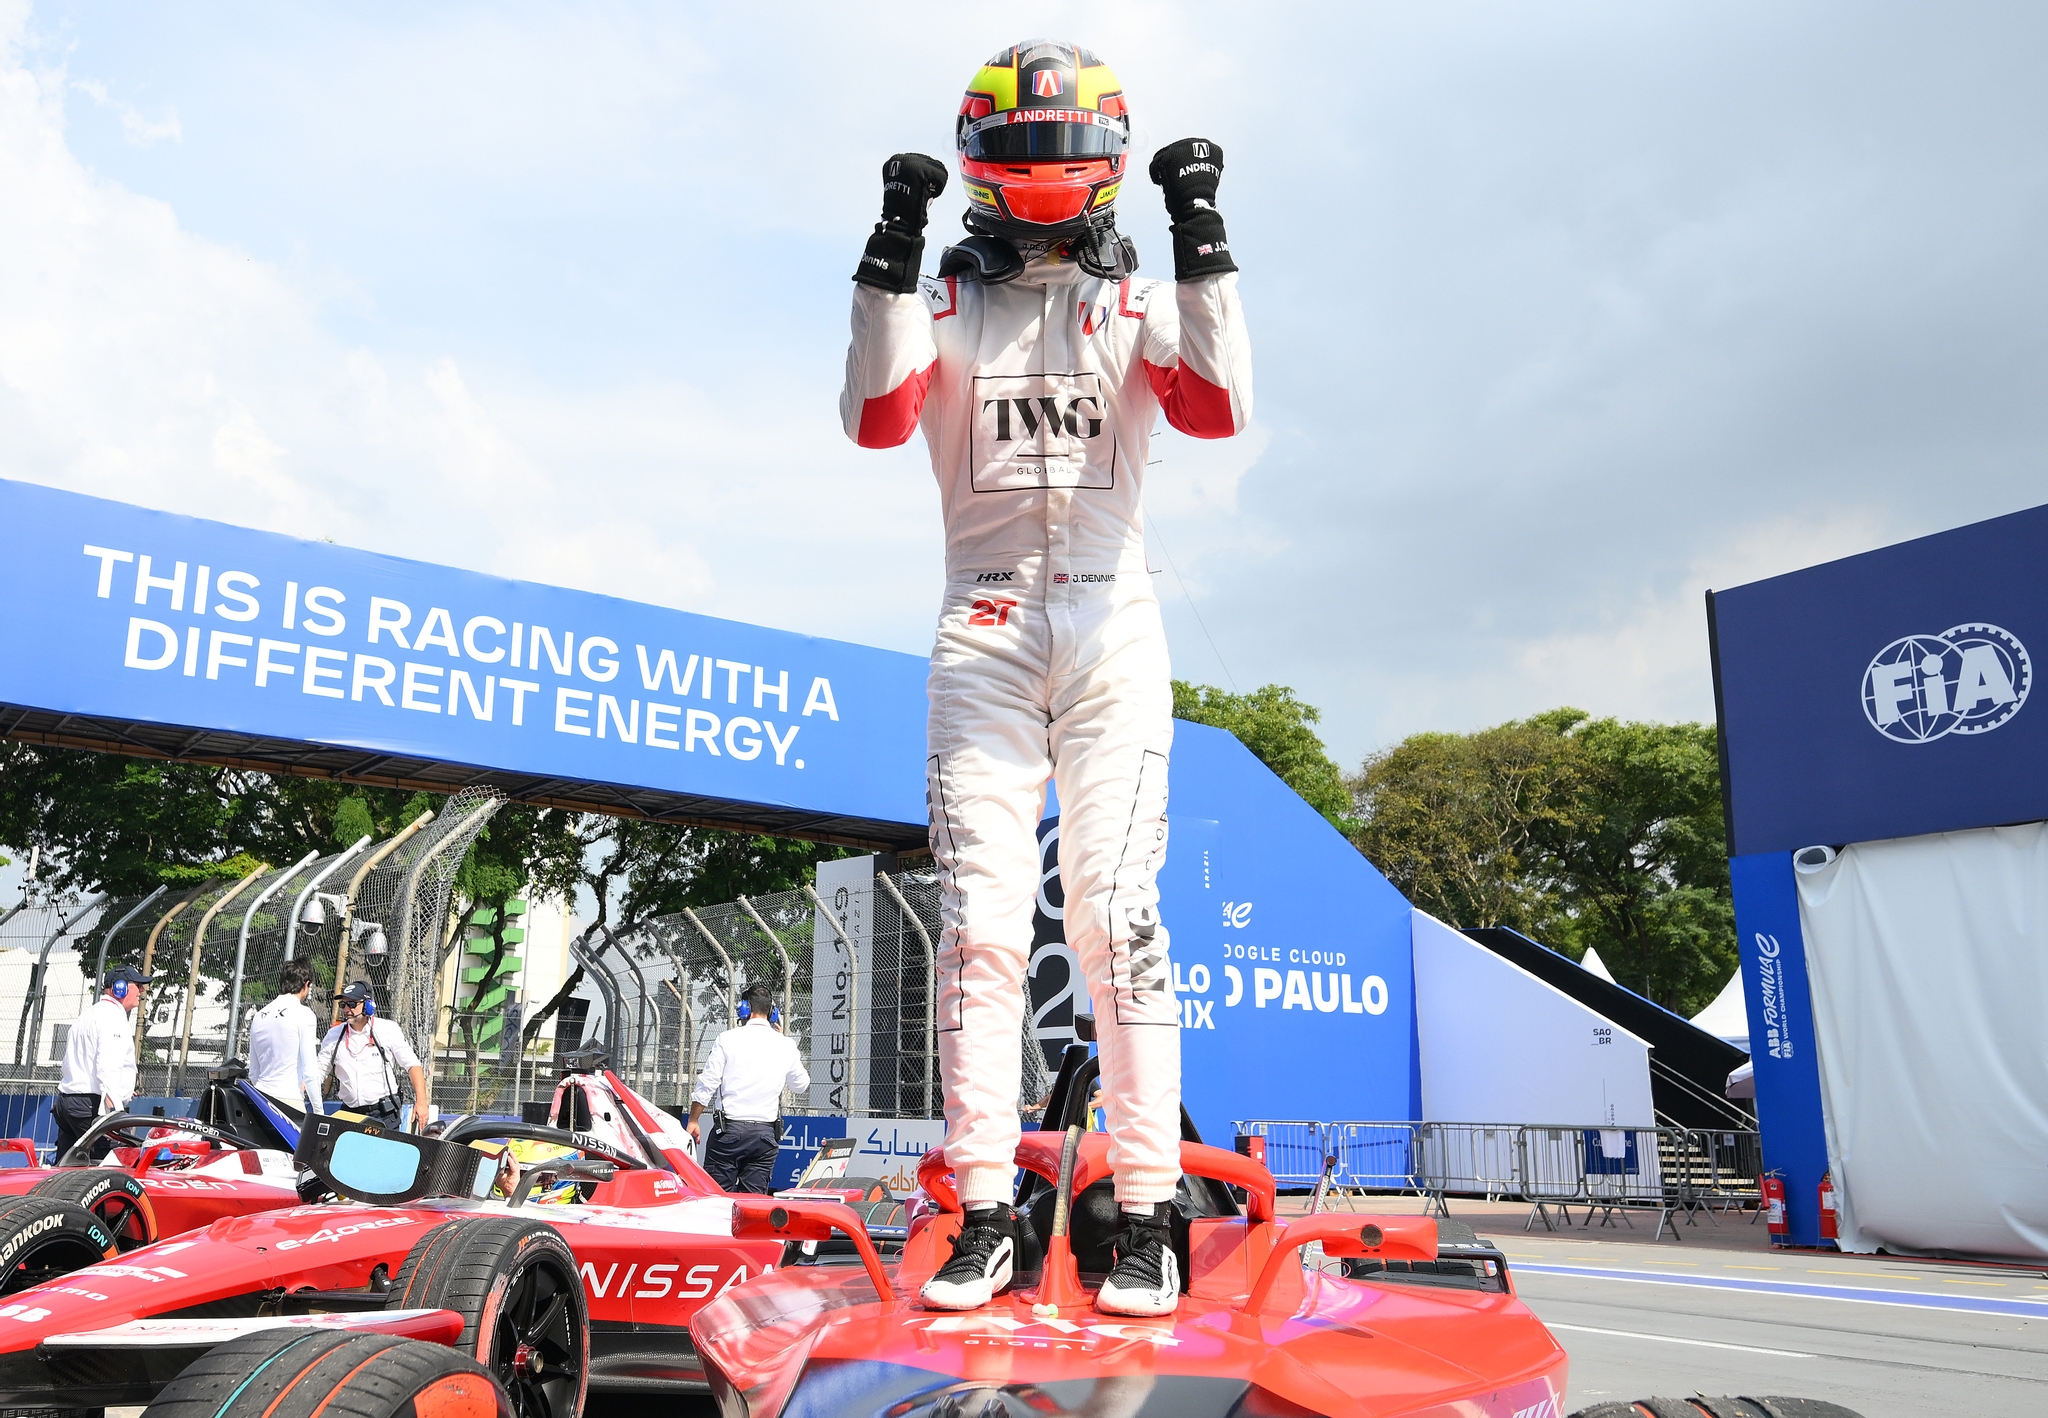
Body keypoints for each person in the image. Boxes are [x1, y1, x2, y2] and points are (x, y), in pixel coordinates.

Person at [840, 39, 1252, 1318]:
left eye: (1055, 160)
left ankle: (1144, 1214)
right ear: (976, 166)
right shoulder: (941, 299)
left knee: (1116, 920)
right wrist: (888, 250)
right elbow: (873, 415)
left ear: (1107, 171)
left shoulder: (1136, 300)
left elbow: (1219, 405)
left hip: (1110, 620)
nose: (1036, 182)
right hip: (983, 626)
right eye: (1014, 159)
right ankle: (976, 1211)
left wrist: (1202, 238)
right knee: (977, 932)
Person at [688, 982, 809, 1194]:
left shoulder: (727, 1039)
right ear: (772, 1013)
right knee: (752, 1206)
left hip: (729, 1133)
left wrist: (693, 1120)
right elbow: (801, 1085)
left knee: (717, 1200)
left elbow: (708, 1083)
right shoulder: (785, 1044)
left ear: (744, 1008)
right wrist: (784, 1042)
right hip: (764, 1135)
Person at [53, 964, 154, 1161]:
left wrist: (123, 1089)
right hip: (89, 1106)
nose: (142, 991)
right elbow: (107, 1067)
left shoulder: (89, 1014)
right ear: (120, 988)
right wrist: (115, 1111)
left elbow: (80, 1064)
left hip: (68, 1102)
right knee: (112, 1164)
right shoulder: (113, 1017)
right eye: (137, 985)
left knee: (67, 1169)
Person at [315, 981, 430, 1130]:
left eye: (352, 1004)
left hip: (383, 1114)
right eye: (343, 1005)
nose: (347, 1009)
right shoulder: (334, 1035)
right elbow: (319, 1071)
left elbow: (412, 1065)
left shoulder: (387, 1029)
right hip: (350, 1115)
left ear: (369, 1005)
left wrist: (421, 1101)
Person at [247, 960, 320, 1116]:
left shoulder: (259, 1015)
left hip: (260, 1099)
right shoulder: (304, 1014)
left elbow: (253, 1071)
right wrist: (319, 1112)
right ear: (306, 984)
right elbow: (310, 1072)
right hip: (289, 1100)